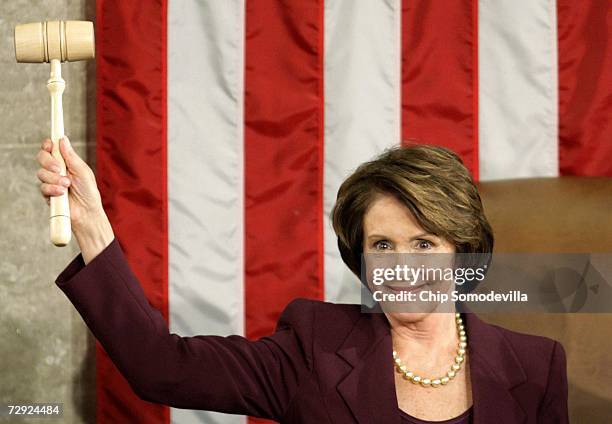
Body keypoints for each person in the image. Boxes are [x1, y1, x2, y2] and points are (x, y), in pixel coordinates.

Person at [36, 136, 569, 423]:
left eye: (424, 244)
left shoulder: (537, 367)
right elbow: (160, 368)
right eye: (382, 246)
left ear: (464, 252)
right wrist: (90, 222)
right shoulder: (312, 349)